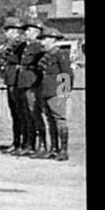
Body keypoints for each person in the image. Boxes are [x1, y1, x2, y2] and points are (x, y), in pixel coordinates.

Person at [36, 26, 73, 162]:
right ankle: (54, 148)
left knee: (59, 120)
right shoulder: (45, 56)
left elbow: (66, 73)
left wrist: (63, 94)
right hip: (46, 90)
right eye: (42, 39)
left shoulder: (60, 54)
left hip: (57, 91)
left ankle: (63, 150)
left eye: (45, 39)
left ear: (52, 39)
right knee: (50, 120)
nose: (42, 42)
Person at [17, 19, 46, 156]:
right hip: (24, 83)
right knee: (26, 115)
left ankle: (43, 145)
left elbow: (63, 72)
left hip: (34, 84)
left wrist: (64, 93)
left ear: (36, 32)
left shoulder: (38, 47)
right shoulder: (26, 47)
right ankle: (30, 144)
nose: (26, 33)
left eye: (28, 30)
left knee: (36, 114)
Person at [0, 17, 26, 154]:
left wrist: (64, 92)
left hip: (18, 82)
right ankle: (17, 142)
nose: (5, 33)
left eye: (8, 30)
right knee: (15, 114)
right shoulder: (10, 45)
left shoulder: (20, 44)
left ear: (15, 31)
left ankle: (25, 143)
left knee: (22, 113)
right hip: (11, 80)